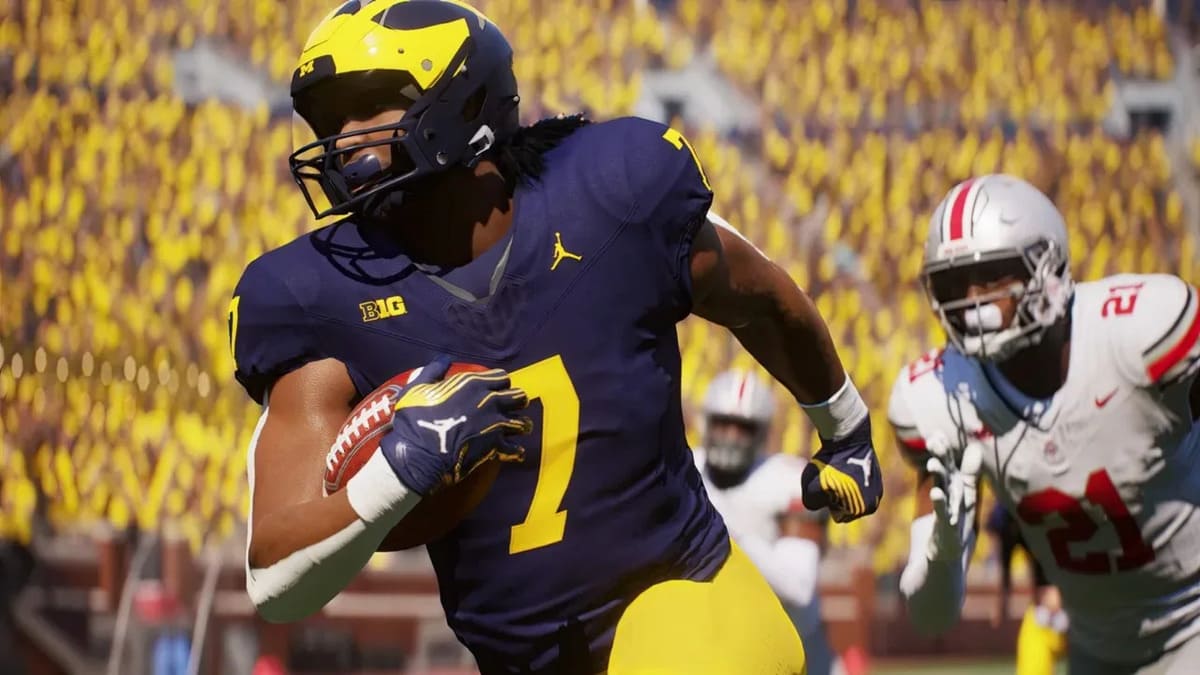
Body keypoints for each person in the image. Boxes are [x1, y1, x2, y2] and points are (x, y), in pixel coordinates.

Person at [229, 1, 882, 673]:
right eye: (330, 119)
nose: (345, 137)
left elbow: (761, 297)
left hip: (690, 599)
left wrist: (846, 428)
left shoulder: (611, 194)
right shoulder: (321, 293)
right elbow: (276, 583)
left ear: (461, 99)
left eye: (369, 107)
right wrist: (402, 468)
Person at [890, 174, 1200, 673]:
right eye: (952, 285)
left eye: (991, 278)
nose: (971, 304)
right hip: (1095, 647)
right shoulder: (938, 396)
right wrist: (943, 555)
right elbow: (931, 618)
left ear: (1048, 268)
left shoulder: (1144, 334)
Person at [693, 369, 840, 675]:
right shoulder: (684, 469)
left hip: (801, 655)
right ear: (707, 423)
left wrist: (721, 527)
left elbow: (797, 588)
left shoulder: (787, 480)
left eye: (742, 428)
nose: (731, 437)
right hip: (723, 648)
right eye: (723, 424)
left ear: (760, 433)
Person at [985, 504, 1068, 675]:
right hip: (1043, 614)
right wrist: (1001, 601)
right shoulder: (1011, 518)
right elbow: (1005, 554)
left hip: (1086, 612)